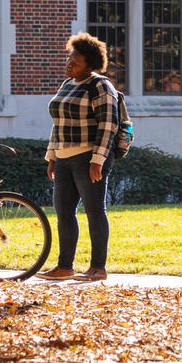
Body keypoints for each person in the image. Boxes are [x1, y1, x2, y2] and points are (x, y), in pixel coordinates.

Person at [41, 33, 119, 282]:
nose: (69, 61)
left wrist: (98, 160)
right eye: (69, 56)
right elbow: (58, 123)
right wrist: (52, 156)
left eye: (74, 57)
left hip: (88, 159)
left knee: (95, 211)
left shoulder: (100, 86)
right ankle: (65, 266)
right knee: (63, 212)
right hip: (63, 159)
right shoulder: (68, 84)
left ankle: (98, 268)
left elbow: (109, 125)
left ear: (89, 61)